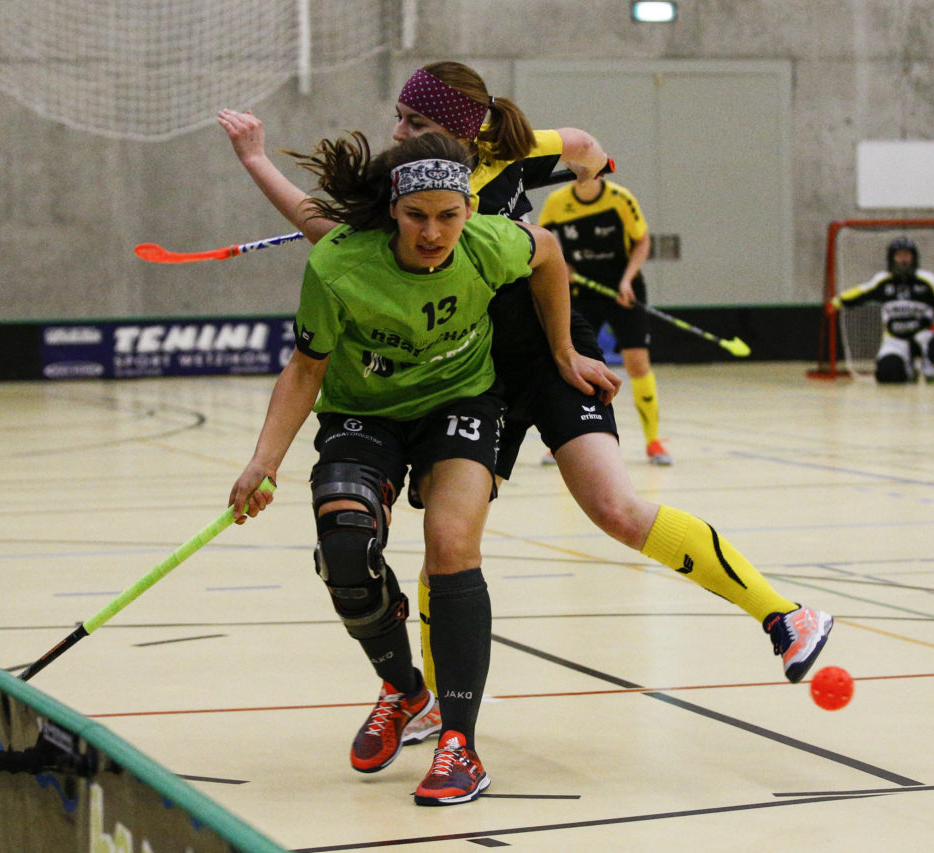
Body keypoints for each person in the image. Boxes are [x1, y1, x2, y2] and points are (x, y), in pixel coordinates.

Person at [218, 59, 834, 756]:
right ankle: (429, 702)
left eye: (415, 121)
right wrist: (257, 160)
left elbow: (578, 147)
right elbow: (321, 227)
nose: (399, 130)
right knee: (448, 547)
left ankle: (784, 615)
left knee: (617, 509)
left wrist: (593, 177)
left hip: (550, 361)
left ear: (462, 126)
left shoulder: (508, 155)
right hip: (478, 380)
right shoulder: (416, 181)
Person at [227, 130, 617, 807]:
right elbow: (306, 369)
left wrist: (563, 352)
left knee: (451, 546)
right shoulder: (340, 265)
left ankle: (459, 745)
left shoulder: (491, 243)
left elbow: (549, 254)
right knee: (344, 545)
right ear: (391, 211)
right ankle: (405, 687)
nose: (433, 232)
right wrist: (264, 461)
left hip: (461, 401)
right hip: (363, 411)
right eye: (416, 217)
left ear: (469, 208)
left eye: (448, 215)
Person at [538, 173, 671, 465]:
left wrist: (627, 280)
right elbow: (539, 239)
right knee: (573, 361)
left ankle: (653, 441)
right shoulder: (557, 202)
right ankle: (562, 440)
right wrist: (561, 265)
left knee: (637, 362)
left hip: (624, 289)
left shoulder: (620, 199)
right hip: (581, 291)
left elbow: (642, 241)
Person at [831, 236, 934, 383]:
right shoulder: (882, 280)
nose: (903, 260)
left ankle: (929, 367)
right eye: (899, 256)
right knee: (887, 374)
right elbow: (861, 292)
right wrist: (836, 302)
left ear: (914, 258)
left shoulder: (928, 280)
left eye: (907, 256)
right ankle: (908, 371)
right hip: (896, 339)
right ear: (892, 259)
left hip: (924, 336)